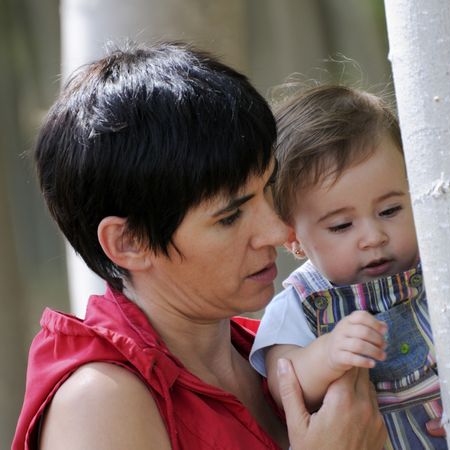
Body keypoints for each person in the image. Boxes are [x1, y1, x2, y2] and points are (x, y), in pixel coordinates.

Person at [12, 42, 387, 450]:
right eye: (230, 216)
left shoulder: (280, 350)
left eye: (269, 189)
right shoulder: (100, 398)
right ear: (129, 242)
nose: (279, 232)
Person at [249, 85, 447, 449]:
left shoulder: (440, 267)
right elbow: (284, 381)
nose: (373, 237)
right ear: (292, 236)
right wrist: (327, 353)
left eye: (390, 211)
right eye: (341, 226)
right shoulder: (303, 302)